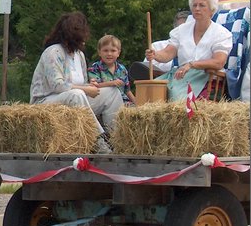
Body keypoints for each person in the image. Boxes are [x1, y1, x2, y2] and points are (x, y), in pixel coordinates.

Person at [30, 12, 124, 153]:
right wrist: (85, 90)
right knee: (77, 94)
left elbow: (80, 83)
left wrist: (90, 85)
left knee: (111, 92)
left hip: (73, 99)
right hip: (45, 101)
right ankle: (98, 141)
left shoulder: (79, 55)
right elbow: (57, 85)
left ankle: (117, 138)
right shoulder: (53, 52)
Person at [145, 0, 232, 101]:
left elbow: (219, 62)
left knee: (177, 98)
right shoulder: (182, 30)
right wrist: (155, 54)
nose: (197, 8)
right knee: (152, 90)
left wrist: (192, 65)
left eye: (202, 5)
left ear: (212, 10)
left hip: (205, 78)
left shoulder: (221, 34)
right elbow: (167, 53)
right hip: (181, 77)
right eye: (194, 5)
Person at [129, 9, 191, 82]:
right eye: (180, 28)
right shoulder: (156, 47)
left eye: (186, 28)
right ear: (174, 29)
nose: (183, 31)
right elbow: (147, 72)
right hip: (159, 88)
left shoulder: (196, 48)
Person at [89, 34, 136, 105]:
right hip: (105, 102)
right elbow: (95, 87)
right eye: (105, 50)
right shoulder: (95, 68)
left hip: (124, 103)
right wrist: (112, 83)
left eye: (113, 51)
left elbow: (127, 91)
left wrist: (138, 104)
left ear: (118, 53)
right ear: (99, 52)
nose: (109, 54)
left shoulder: (122, 69)